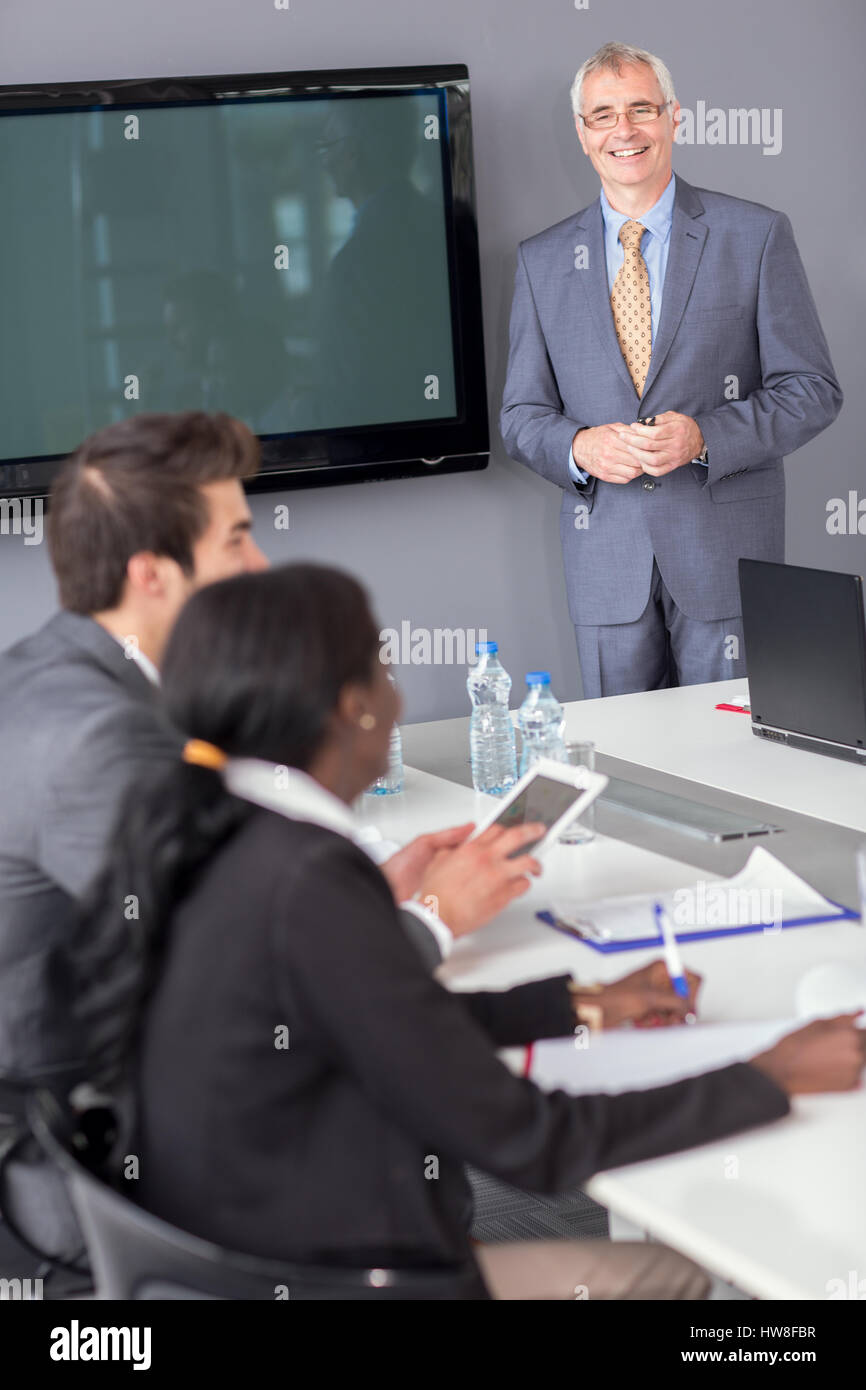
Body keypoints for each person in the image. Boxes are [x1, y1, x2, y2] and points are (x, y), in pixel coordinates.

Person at [78, 563, 864, 1300]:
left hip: (229, 1247)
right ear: (351, 707)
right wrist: (771, 1073)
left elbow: (381, 1023)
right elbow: (531, 1141)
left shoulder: (207, 831)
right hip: (340, 1272)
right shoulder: (308, 881)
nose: (397, 693)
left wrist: (580, 1005)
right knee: (687, 1276)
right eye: (384, 668)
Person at [500, 41, 842, 697]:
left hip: (725, 561)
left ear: (674, 118)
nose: (623, 131)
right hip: (606, 569)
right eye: (603, 115)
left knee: (730, 766)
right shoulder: (542, 261)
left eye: (640, 110)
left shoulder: (755, 235)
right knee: (626, 771)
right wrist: (579, 446)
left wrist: (706, 436)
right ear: (582, 134)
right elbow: (520, 417)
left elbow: (813, 390)